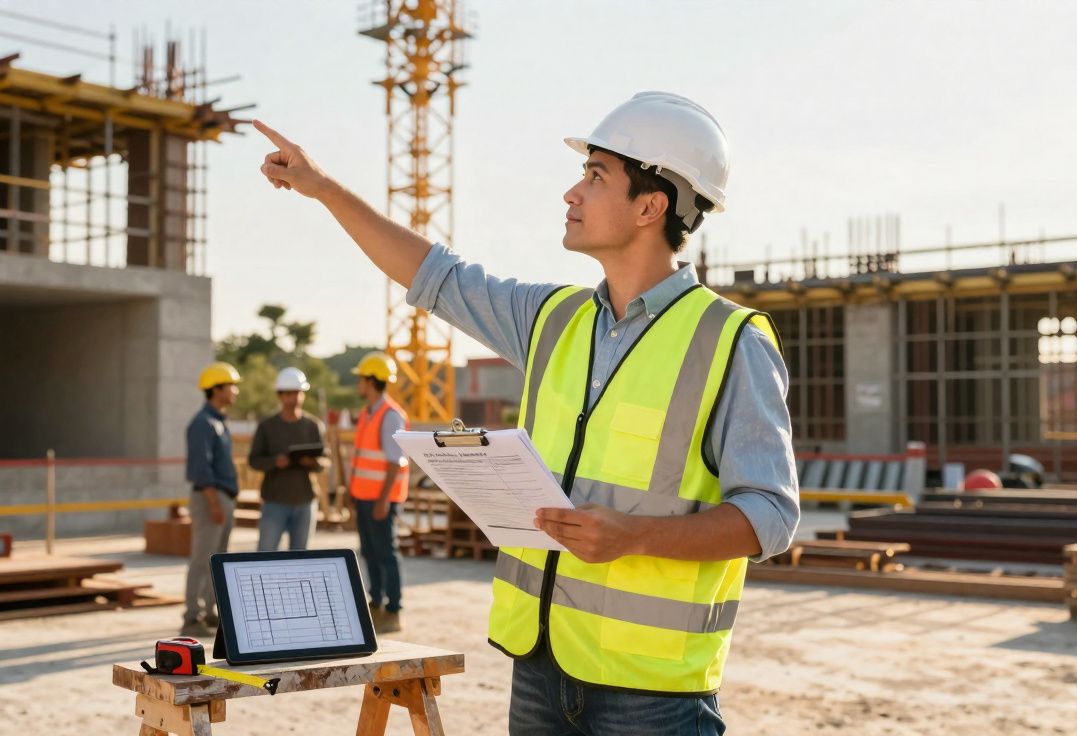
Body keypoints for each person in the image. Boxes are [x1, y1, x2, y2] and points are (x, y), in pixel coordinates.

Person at [253, 91, 799, 734]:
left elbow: (772, 514)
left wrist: (634, 536)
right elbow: (436, 275)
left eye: (596, 177)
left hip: (651, 696)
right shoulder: (554, 319)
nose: (572, 193)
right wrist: (323, 189)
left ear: (651, 206)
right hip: (539, 669)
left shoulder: (731, 341)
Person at [347, 351, 409, 634]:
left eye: (361, 378)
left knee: (386, 553)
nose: (358, 383)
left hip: (380, 499)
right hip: (364, 496)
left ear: (370, 381)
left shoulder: (390, 415)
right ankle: (376, 603)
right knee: (370, 553)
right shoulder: (367, 413)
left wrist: (383, 500)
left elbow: (395, 462)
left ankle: (393, 610)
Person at [182, 361, 241, 637]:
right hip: (210, 498)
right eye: (231, 385)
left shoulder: (218, 421)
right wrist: (215, 503)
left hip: (221, 496)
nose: (235, 391)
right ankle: (192, 616)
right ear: (217, 389)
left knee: (217, 559)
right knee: (201, 558)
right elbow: (200, 469)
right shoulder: (202, 424)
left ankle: (210, 612)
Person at [248, 366, 330, 551]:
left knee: (300, 560)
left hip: (305, 501)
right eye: (288, 394)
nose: (293, 398)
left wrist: (313, 463)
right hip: (274, 501)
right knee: (266, 556)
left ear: (302, 394)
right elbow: (254, 460)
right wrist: (275, 462)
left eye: (297, 393)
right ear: (280, 395)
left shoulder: (313, 426)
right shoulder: (267, 426)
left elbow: (325, 462)